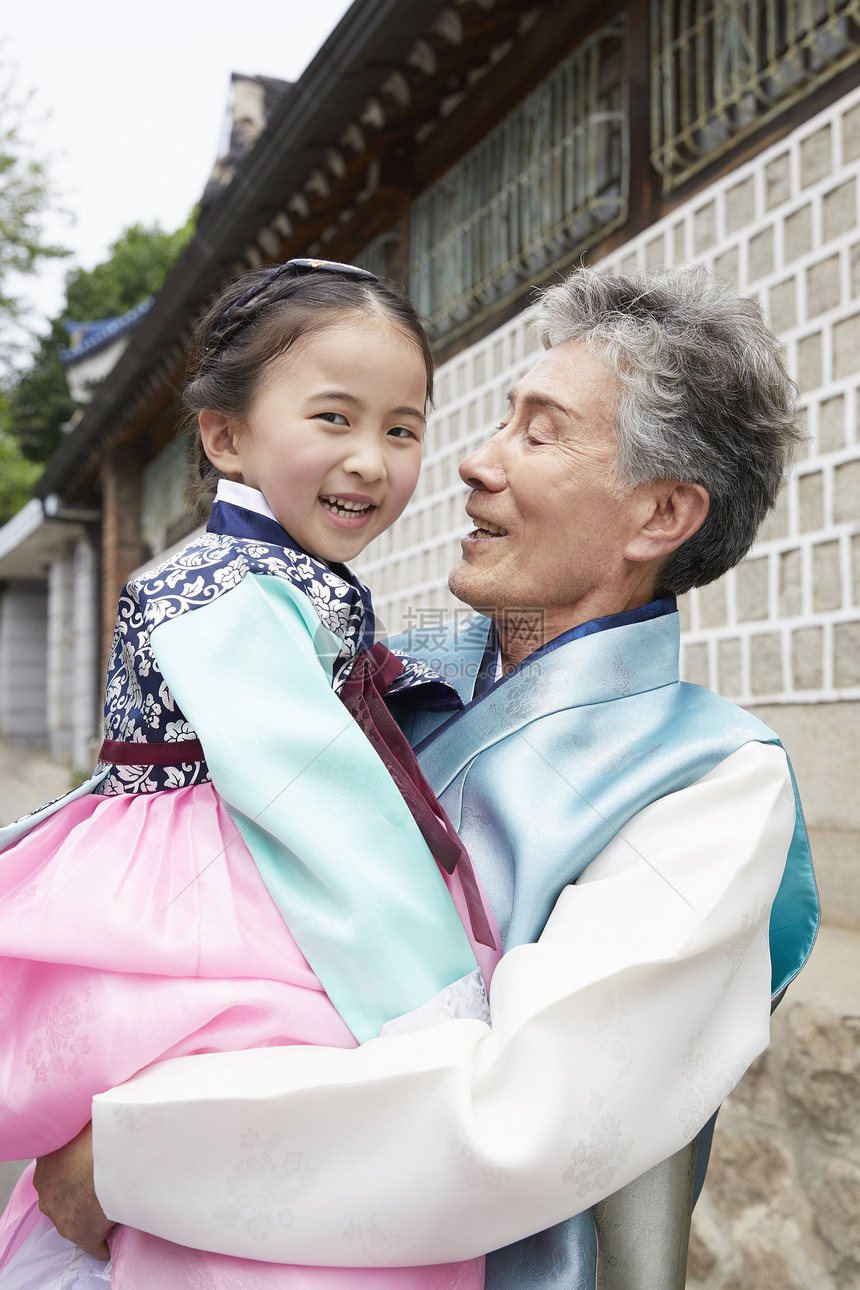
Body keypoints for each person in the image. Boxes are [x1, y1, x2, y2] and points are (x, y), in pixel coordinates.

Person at [33, 267, 820, 1289]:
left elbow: (523, 1120)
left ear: (656, 516)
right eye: (494, 421)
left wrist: (130, 1160)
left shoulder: (711, 788)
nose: (472, 463)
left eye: (535, 433)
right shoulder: (378, 680)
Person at [0, 259, 500, 1290]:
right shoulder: (219, 587)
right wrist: (434, 1003)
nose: (370, 460)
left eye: (401, 429)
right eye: (333, 418)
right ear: (225, 436)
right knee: (277, 1104)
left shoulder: (285, 577)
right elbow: (311, 794)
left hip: (226, 866)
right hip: (218, 882)